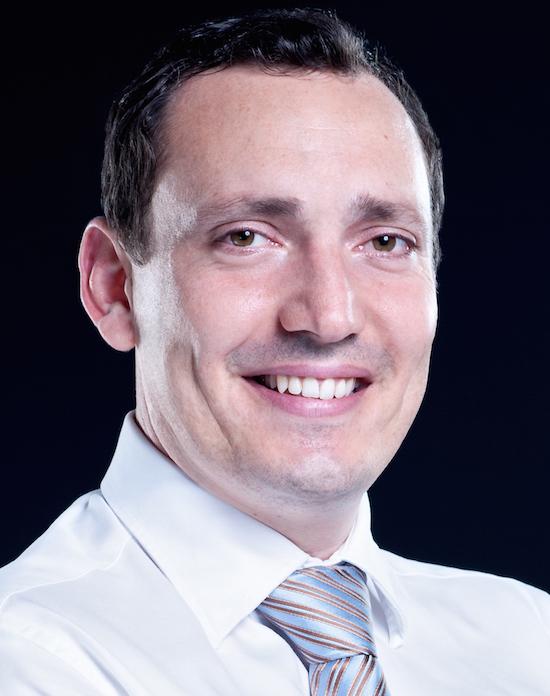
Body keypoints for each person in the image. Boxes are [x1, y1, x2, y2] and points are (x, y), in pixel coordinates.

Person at [1, 7, 548, 695]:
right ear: (114, 287)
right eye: (247, 237)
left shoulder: (528, 642)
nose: (328, 316)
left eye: (385, 242)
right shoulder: (29, 657)